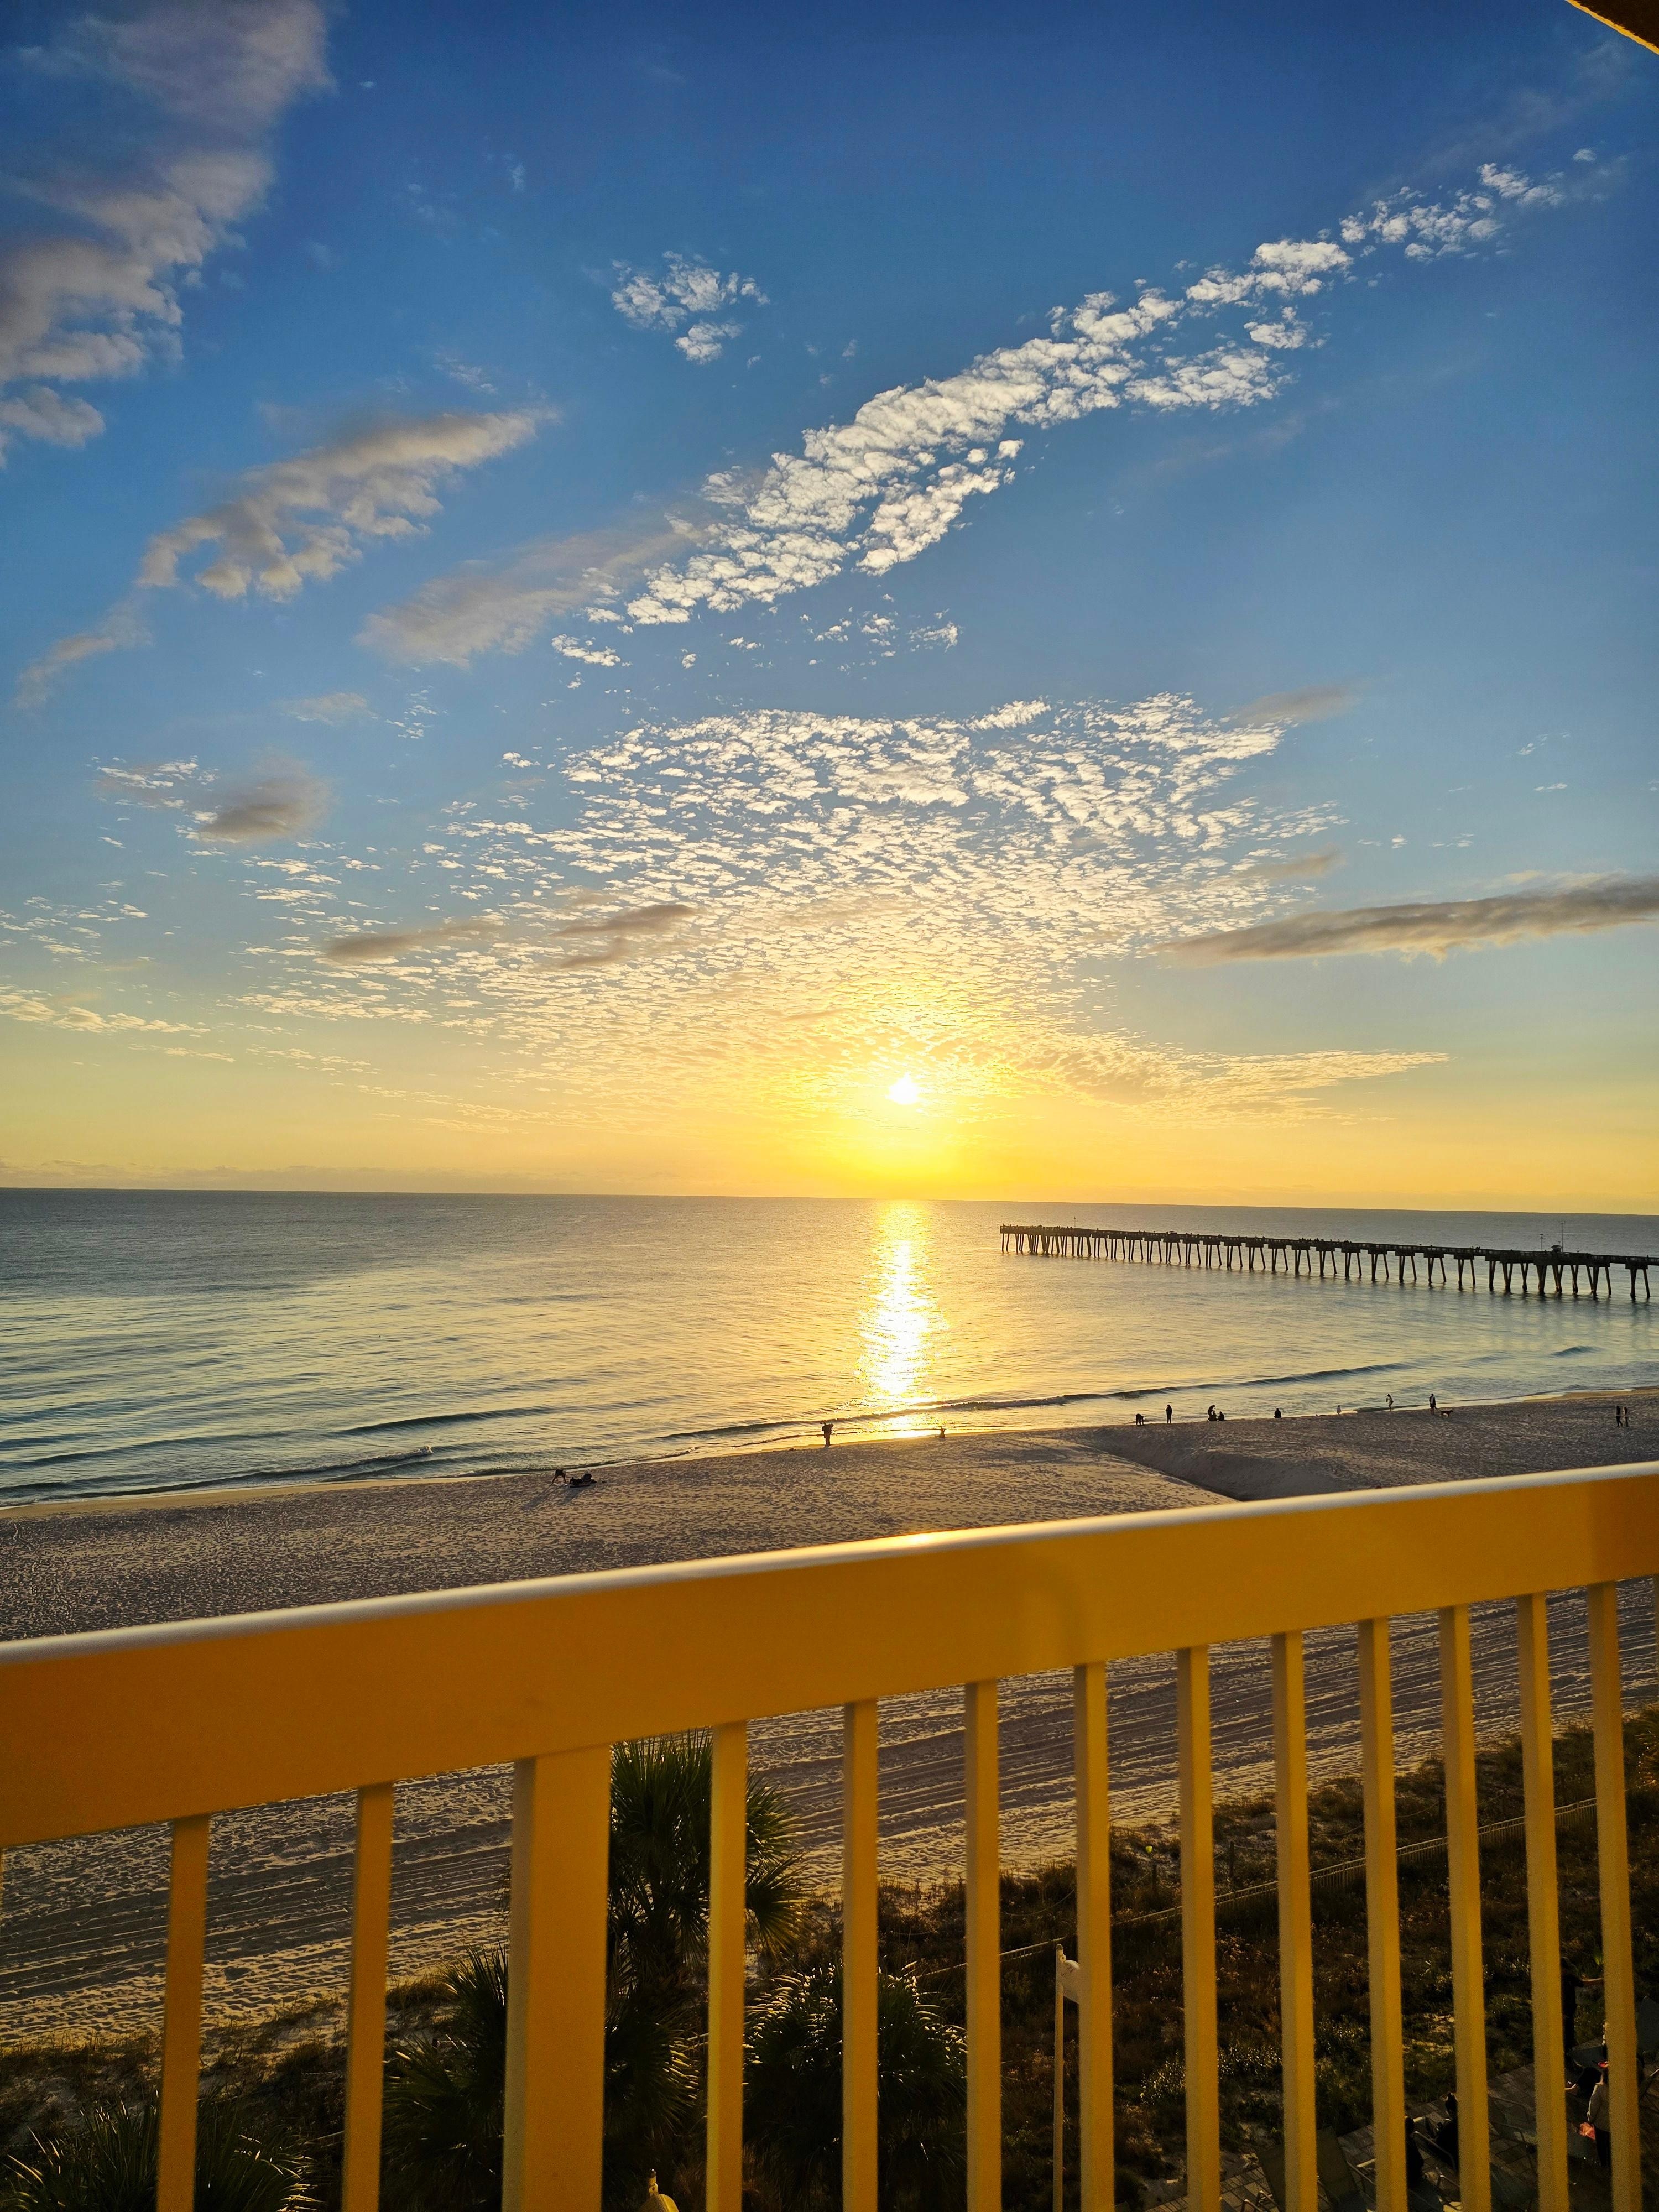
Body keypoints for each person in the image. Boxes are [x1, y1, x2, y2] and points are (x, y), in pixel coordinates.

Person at [1562, 1960, 1601, 2075]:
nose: (1565, 1971)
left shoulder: (1569, 1978)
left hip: (1569, 2015)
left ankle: (1569, 2060)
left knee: (1569, 2039)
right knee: (1565, 2040)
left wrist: (1600, 1981)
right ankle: (1568, 2063)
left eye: (1565, 1969)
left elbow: (1583, 1983)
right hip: (1563, 2016)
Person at [1587, 2063, 1610, 2168]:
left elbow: (1594, 2107)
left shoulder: (1600, 2089)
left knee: (1601, 2144)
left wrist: (1590, 2119)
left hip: (1602, 2123)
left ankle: (1604, 2163)